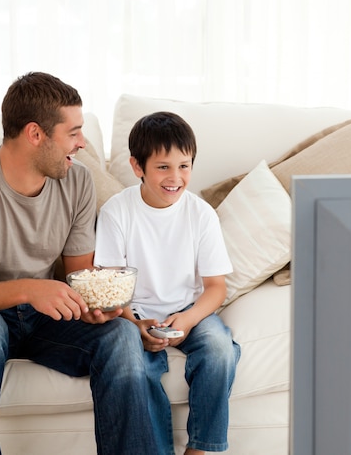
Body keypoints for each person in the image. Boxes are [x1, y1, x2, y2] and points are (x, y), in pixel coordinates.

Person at [0, 72, 158, 455]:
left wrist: (103, 311)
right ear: (35, 134)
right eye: (74, 132)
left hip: (46, 315)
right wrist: (29, 289)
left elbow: (78, 276)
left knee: (120, 338)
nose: (82, 144)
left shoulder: (77, 182)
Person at [94, 111, 241, 455]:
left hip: (188, 310)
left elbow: (215, 287)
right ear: (137, 167)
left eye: (184, 166)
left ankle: (201, 448)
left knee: (220, 350)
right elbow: (110, 289)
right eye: (163, 167)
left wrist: (188, 320)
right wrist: (135, 322)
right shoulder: (117, 212)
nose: (175, 177)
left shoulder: (201, 213)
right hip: (135, 312)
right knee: (137, 370)